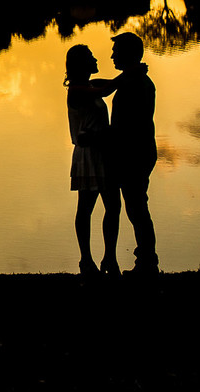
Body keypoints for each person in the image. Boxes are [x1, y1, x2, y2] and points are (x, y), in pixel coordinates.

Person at [64, 44, 121, 278]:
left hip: (103, 153)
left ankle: (110, 257)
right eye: (90, 57)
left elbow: (105, 85)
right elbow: (107, 90)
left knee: (113, 206)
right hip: (89, 154)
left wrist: (126, 75)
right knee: (85, 208)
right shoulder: (78, 90)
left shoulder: (90, 84)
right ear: (81, 64)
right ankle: (86, 260)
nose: (96, 59)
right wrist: (131, 73)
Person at [106, 32, 159, 275]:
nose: (112, 55)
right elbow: (104, 87)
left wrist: (98, 136)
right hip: (138, 153)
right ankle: (146, 261)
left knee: (137, 208)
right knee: (136, 208)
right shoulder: (132, 79)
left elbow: (126, 127)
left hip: (135, 155)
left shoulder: (134, 83)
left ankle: (147, 263)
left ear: (127, 54)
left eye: (116, 52)